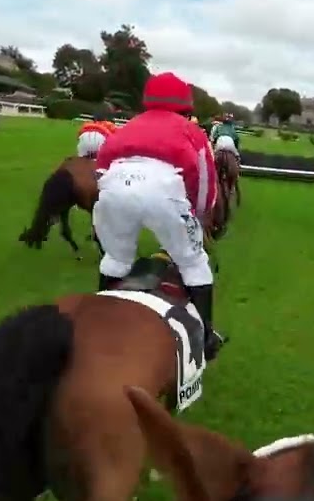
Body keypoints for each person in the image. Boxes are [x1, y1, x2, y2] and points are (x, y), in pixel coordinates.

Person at [93, 72, 225, 360]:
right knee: (194, 263)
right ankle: (205, 337)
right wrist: (199, 216)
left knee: (115, 259)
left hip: (113, 187)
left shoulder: (128, 126)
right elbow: (204, 181)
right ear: (185, 106)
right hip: (164, 192)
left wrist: (110, 200)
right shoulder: (193, 132)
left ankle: (98, 322)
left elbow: (101, 165)